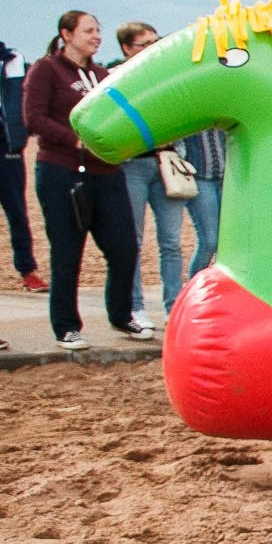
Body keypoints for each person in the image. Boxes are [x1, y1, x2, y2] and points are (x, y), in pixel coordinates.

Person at [24, 11, 151, 349]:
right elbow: (33, 118)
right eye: (88, 30)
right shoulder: (46, 70)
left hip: (108, 173)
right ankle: (66, 327)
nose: (96, 36)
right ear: (66, 34)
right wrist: (75, 140)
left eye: (99, 30)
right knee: (67, 251)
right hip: (61, 172)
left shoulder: (101, 74)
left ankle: (122, 315)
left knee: (124, 248)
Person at [109, 22, 186, 327]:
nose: (154, 48)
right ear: (128, 48)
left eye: (157, 41)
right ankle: (135, 307)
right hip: (133, 165)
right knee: (133, 241)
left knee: (172, 241)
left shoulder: (168, 76)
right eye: (145, 43)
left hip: (167, 163)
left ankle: (173, 307)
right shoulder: (116, 78)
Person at [0, 6, 44, 291]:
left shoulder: (11, 59)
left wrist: (18, 140)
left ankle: (27, 271)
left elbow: (20, 99)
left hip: (3, 145)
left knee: (16, 209)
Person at [177, 121, 226, 282]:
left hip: (225, 178)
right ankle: (195, 287)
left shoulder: (221, 112)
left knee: (225, 244)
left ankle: (219, 290)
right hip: (199, 178)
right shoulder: (191, 112)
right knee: (209, 241)